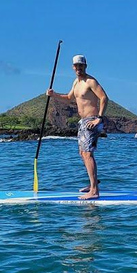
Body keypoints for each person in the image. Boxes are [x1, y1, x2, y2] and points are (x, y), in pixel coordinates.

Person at [46, 54, 109, 200]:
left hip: (92, 121)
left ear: (85, 66)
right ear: (73, 67)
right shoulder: (76, 82)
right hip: (83, 122)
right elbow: (69, 98)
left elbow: (104, 98)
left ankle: (94, 191)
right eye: (76, 65)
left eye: (81, 65)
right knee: (83, 153)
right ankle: (93, 183)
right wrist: (53, 94)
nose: (78, 68)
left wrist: (99, 118)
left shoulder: (91, 81)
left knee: (87, 154)